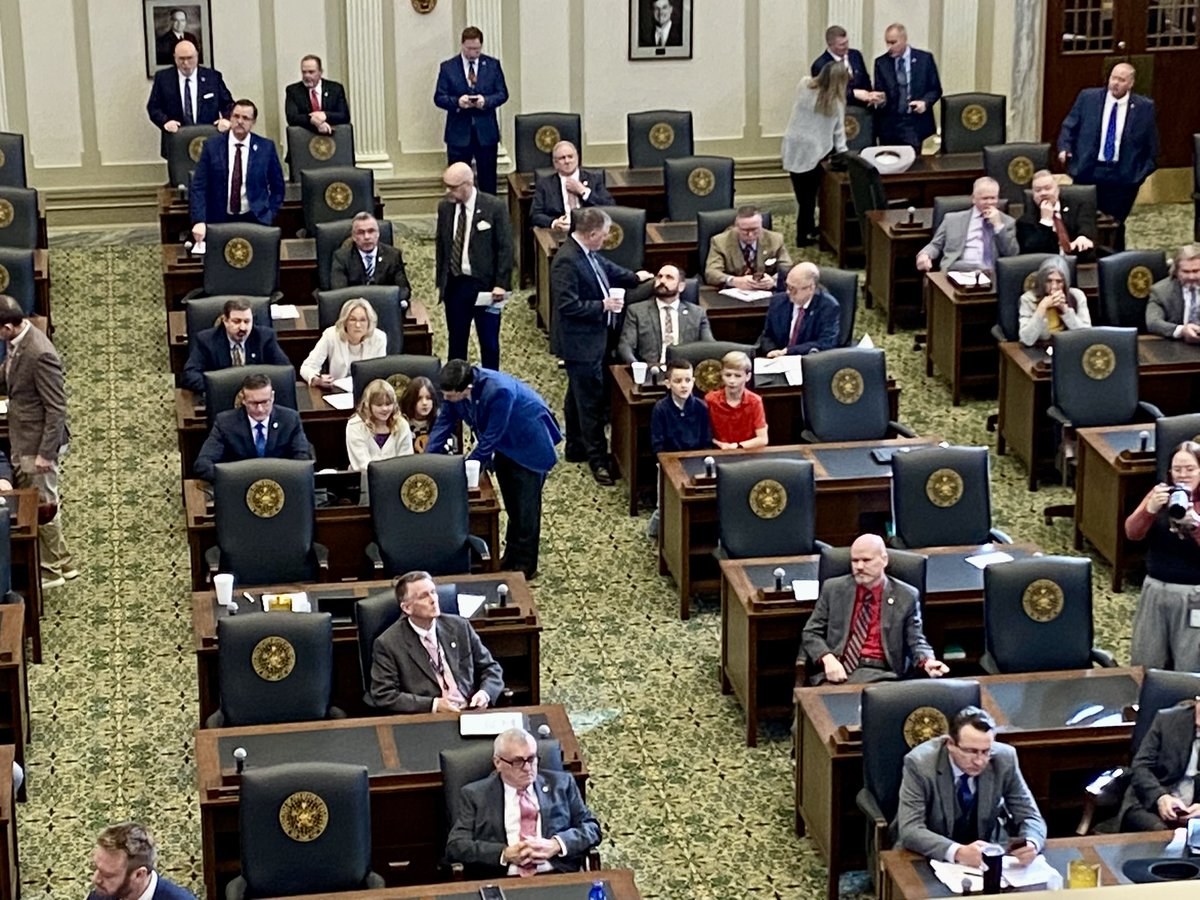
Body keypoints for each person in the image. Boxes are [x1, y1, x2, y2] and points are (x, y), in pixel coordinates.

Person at [428, 360, 561, 579]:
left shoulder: (499, 390)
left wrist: (468, 467)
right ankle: (511, 557)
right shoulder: (454, 390)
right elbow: (444, 423)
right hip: (504, 447)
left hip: (527, 442)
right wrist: (427, 460)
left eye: (450, 395)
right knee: (512, 504)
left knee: (526, 508)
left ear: (467, 388)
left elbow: (492, 436)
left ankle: (526, 566)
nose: (446, 399)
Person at [551, 207, 650, 485]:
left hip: (594, 338)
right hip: (580, 342)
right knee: (590, 401)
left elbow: (606, 268)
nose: (606, 239)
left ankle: (575, 446)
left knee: (577, 395)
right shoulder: (567, 260)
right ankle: (598, 459)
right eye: (604, 235)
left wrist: (635, 277)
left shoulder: (586, 252)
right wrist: (603, 305)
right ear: (592, 234)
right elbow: (567, 305)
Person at [896, 706, 1047, 867]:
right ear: (950, 744)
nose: (979, 761)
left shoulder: (1004, 759)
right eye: (971, 751)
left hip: (984, 856)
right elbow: (911, 829)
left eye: (986, 751)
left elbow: (1030, 816)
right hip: (928, 855)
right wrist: (958, 852)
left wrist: (1032, 842)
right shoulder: (920, 764)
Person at [445, 727, 602, 876]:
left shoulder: (562, 784)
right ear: (498, 763)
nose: (527, 768)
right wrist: (504, 854)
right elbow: (457, 845)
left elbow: (591, 828)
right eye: (518, 762)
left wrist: (557, 844)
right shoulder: (475, 795)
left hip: (558, 874)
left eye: (531, 759)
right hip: (501, 879)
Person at [801, 534, 948, 684]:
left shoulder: (906, 596)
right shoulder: (833, 589)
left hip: (884, 675)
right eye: (854, 561)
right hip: (838, 671)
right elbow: (811, 632)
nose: (859, 567)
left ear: (884, 560)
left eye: (866, 560)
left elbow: (915, 640)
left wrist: (927, 661)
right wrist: (827, 658)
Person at [0, 296, 75, 590]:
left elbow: (56, 408)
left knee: (43, 506)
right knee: (39, 500)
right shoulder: (17, 341)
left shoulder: (40, 353)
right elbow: (9, 373)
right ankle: (63, 561)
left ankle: (51, 570)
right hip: (22, 436)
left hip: (37, 444)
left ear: (8, 327)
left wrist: (45, 453)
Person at [368, 570, 505, 713]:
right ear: (407, 608)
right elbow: (384, 695)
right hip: (429, 717)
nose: (433, 599)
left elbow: (491, 668)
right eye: (424, 596)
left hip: (471, 710)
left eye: (433, 592)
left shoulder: (459, 626)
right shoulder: (388, 643)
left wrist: (485, 694)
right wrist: (433, 705)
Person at [1057, 62, 1159, 241]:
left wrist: (1138, 175)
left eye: (1121, 80)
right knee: (1082, 220)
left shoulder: (1144, 107)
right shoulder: (1088, 98)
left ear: (1131, 83)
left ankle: (1113, 255)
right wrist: (1064, 148)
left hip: (1122, 177)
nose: (1115, 83)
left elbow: (1151, 145)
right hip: (1088, 170)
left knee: (1115, 226)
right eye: (1113, 78)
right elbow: (1070, 125)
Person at [1123, 441, 1200, 671]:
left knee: (1189, 665)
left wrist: (1195, 526)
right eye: (1177, 470)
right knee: (1146, 660)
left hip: (1194, 595)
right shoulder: (1161, 493)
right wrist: (1150, 510)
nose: (1183, 475)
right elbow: (1132, 533)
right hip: (1155, 590)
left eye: (1190, 469)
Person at [435, 162, 513, 372]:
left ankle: (491, 382)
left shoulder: (494, 207)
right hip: (456, 284)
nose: (448, 191)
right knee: (456, 341)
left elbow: (505, 247)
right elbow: (442, 245)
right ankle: (456, 384)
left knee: (489, 342)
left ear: (468, 184)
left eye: (453, 187)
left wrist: (501, 283)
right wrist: (441, 281)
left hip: (486, 287)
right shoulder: (445, 207)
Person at [189, 99, 285, 243]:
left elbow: (278, 187)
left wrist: (269, 213)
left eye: (245, 118)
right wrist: (199, 220)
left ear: (253, 122)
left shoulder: (266, 147)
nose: (240, 121)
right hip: (219, 219)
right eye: (236, 116)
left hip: (256, 218)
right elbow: (199, 186)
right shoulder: (212, 146)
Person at [193, 373, 312, 482]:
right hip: (239, 487)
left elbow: (303, 459)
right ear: (243, 400)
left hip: (281, 485)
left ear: (272, 397)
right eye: (253, 403)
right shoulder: (225, 423)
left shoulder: (290, 419)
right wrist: (234, 480)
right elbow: (203, 464)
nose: (260, 409)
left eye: (265, 402)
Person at [434, 26, 509, 195]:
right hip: (458, 133)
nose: (473, 52)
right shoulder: (448, 67)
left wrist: (486, 101)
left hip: (486, 132)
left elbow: (502, 94)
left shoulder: (492, 65)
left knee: (488, 181)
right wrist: (457, 102)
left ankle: (487, 211)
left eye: (476, 49)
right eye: (469, 48)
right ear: (462, 45)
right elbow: (439, 97)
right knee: (457, 181)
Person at [782, 65, 850, 246]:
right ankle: (803, 235)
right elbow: (839, 133)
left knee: (802, 196)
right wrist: (845, 155)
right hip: (814, 152)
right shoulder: (836, 103)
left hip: (793, 146)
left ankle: (806, 229)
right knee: (810, 197)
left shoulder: (804, 84)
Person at [1118, 699, 1200, 831]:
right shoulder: (1166, 720)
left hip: (1195, 811)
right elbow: (1141, 766)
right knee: (1162, 834)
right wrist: (1160, 797)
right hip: (1150, 802)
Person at [180, 297, 290, 393]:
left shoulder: (265, 337)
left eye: (247, 321)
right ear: (225, 321)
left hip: (257, 397)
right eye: (236, 321)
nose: (242, 328)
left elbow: (284, 371)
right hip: (221, 397)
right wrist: (221, 388)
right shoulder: (206, 340)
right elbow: (189, 375)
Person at [146, 40, 232, 158]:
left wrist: (226, 119)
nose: (186, 63)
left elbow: (228, 104)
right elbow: (154, 107)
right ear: (174, 57)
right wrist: (165, 122)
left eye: (190, 58)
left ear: (197, 56)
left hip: (208, 140)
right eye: (181, 59)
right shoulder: (163, 78)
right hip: (176, 141)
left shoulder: (212, 77)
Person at [916, 177, 1018, 273]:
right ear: (973, 199)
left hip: (991, 274)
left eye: (993, 198)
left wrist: (998, 225)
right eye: (985, 198)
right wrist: (925, 254)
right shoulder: (952, 220)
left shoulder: (1007, 222)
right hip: (957, 270)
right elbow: (935, 245)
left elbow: (1012, 254)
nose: (989, 202)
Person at [618, 264, 712, 365]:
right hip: (651, 369)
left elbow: (710, 346)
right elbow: (625, 346)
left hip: (685, 370)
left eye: (669, 277)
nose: (662, 281)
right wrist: (637, 367)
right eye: (659, 276)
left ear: (681, 286)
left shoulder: (697, 313)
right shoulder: (636, 311)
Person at [870, 23, 942, 151]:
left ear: (904, 39)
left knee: (914, 159)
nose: (890, 47)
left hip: (914, 122)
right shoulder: (881, 62)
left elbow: (935, 89)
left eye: (893, 42)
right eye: (887, 43)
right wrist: (880, 99)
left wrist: (925, 103)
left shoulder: (924, 59)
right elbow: (880, 90)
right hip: (890, 124)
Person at [89, 822, 196, 900]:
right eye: (96, 868)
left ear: (139, 874)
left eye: (107, 875)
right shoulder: (99, 896)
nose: (95, 879)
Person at [299, 297, 388, 388]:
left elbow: (380, 374)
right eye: (352, 320)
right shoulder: (331, 335)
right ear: (345, 322)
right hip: (336, 390)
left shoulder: (379, 338)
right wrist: (316, 380)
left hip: (367, 391)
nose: (358, 325)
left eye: (362, 320)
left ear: (369, 322)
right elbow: (307, 367)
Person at [757, 262, 841, 357]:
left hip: (807, 360)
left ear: (810, 288)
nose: (787, 292)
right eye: (787, 286)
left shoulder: (828, 307)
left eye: (792, 289)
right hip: (775, 360)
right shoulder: (778, 301)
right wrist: (772, 351)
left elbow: (826, 343)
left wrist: (788, 352)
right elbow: (767, 335)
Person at [345, 379, 413, 493]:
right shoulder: (355, 426)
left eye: (388, 404)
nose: (385, 409)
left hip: (397, 484)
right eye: (379, 405)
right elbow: (362, 465)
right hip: (365, 486)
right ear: (368, 405)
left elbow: (406, 462)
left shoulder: (402, 425)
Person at [529, 141, 614, 231]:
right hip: (560, 230)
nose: (567, 161)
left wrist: (584, 191)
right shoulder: (545, 184)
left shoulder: (593, 179)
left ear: (577, 158)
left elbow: (610, 207)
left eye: (570, 156)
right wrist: (554, 222)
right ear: (555, 163)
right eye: (562, 158)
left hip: (588, 229)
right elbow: (535, 215)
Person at [704, 206, 794, 289]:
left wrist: (774, 280)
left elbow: (787, 267)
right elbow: (711, 273)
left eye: (755, 229)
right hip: (734, 292)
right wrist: (733, 281)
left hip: (766, 291)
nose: (750, 234)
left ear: (761, 226)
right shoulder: (720, 242)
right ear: (736, 227)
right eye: (745, 230)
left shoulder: (775, 239)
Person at [1016, 169, 1098, 257]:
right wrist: (1046, 221)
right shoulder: (1026, 220)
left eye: (1048, 188)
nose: (1043, 193)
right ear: (1033, 195)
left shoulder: (1078, 205)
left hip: (1080, 260)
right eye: (1038, 190)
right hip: (1049, 262)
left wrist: (1083, 237)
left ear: (1057, 190)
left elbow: (1087, 227)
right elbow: (1034, 252)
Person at [329, 212, 411, 299]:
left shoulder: (393, 255)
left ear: (378, 234)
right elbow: (339, 292)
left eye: (371, 231)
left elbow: (404, 290)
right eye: (361, 232)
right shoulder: (341, 257)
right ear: (353, 236)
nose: (367, 237)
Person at [1017, 256, 1092, 346]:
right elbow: (1026, 340)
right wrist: (1041, 308)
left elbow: (1086, 336)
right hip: (1039, 347)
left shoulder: (1077, 296)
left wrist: (1066, 311)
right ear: (1042, 281)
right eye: (1049, 281)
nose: (1054, 287)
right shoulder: (1028, 299)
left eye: (1059, 281)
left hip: (1067, 345)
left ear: (1065, 283)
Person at [705, 351, 767, 451]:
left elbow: (763, 439)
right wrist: (720, 444)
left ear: (748, 377)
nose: (732, 381)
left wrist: (737, 446)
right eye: (728, 375)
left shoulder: (755, 401)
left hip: (746, 451)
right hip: (719, 451)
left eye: (737, 376)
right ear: (721, 374)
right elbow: (703, 435)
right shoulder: (710, 400)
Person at [810, 25, 876, 106]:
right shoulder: (820, 65)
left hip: (863, 108)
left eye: (847, 42)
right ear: (830, 45)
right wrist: (853, 93)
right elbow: (827, 92)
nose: (846, 47)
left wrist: (871, 95)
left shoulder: (855, 55)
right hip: (838, 109)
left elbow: (865, 79)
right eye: (842, 44)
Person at [284, 54, 350, 134]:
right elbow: (292, 118)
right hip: (305, 137)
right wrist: (312, 120)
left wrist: (325, 115)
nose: (307, 76)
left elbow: (344, 116)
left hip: (332, 136)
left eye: (311, 72)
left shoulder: (335, 89)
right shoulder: (293, 91)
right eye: (304, 72)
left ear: (320, 72)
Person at [1146, 244, 1200, 342]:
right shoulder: (1161, 291)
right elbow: (1153, 322)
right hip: (1176, 345)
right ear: (1176, 271)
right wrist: (1181, 330)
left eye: (1196, 271)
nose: (1191, 277)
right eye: (1186, 272)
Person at [399, 376, 439, 453]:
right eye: (419, 398)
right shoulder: (401, 422)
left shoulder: (439, 421)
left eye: (428, 398)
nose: (424, 403)